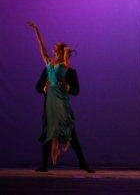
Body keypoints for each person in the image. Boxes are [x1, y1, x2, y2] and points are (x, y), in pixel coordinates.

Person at [28, 21, 94, 173]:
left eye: (56, 47)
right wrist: (37, 31)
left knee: (70, 133)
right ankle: (44, 165)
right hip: (50, 101)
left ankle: (83, 163)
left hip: (61, 101)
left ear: (60, 51)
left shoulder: (68, 68)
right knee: (48, 131)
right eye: (54, 47)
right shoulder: (48, 63)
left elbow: (75, 90)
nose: (53, 49)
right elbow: (42, 50)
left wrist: (67, 86)